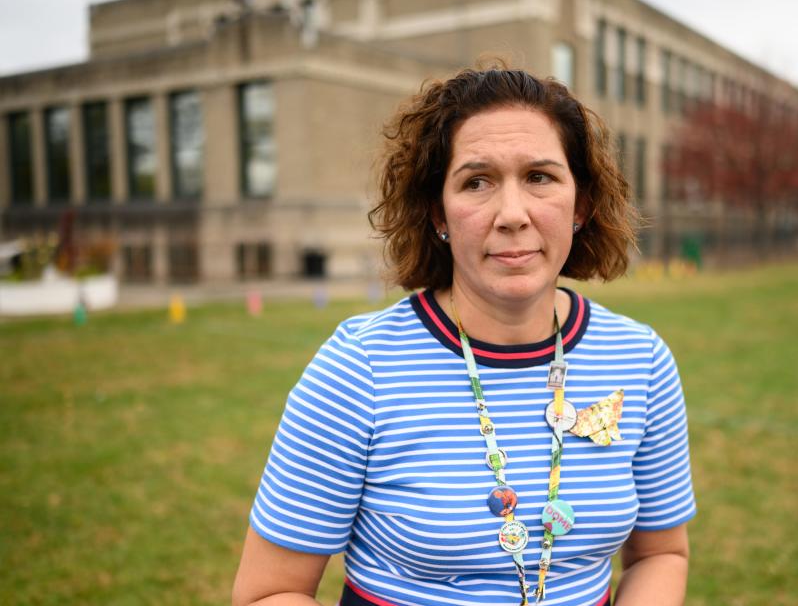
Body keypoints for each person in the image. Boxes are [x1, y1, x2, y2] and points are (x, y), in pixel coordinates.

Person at [233, 66, 696, 606]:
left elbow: (661, 553)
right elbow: (269, 591)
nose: (512, 214)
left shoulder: (641, 359)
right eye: (477, 181)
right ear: (438, 213)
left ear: (582, 204)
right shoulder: (360, 366)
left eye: (540, 177)